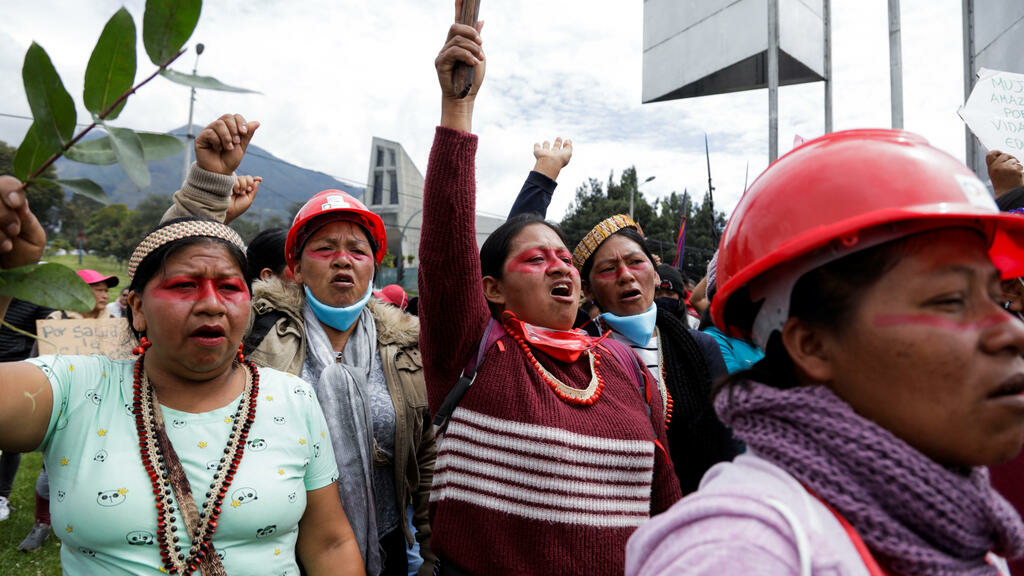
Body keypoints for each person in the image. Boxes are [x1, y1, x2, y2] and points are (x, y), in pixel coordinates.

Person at [625, 129, 1024, 575]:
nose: (1012, 332)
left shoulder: (967, 531)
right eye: (950, 300)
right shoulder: (739, 550)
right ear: (811, 345)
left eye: (999, 298)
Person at [418, 9, 681, 576]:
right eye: (535, 259)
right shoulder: (476, 351)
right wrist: (457, 109)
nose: (559, 266)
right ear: (491, 289)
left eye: (565, 257)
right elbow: (445, 249)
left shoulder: (620, 364)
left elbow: (664, 502)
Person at [0, 175, 363, 575]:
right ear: (137, 308)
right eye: (184, 285)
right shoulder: (75, 388)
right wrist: (6, 278)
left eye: (229, 287)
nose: (211, 304)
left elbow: (330, 543)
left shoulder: (293, 399)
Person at [165, 113, 437, 576]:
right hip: (273, 548)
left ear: (375, 266)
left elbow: (426, 455)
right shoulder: (255, 328)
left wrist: (431, 552)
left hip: (389, 546)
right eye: (324, 248)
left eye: (357, 249)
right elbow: (176, 284)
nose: (343, 262)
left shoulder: (405, 346)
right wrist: (207, 190)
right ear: (295, 266)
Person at [573, 215, 738, 495]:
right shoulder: (575, 356)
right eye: (609, 269)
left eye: (636, 262)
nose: (626, 275)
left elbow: (728, 446)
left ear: (656, 272)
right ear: (588, 289)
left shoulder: (701, 348)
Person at [654, 264, 699, 330]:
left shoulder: (694, 324)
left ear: (679, 296)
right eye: (659, 293)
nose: (664, 297)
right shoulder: (644, 325)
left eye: (670, 293)